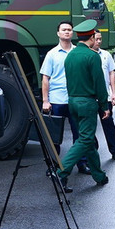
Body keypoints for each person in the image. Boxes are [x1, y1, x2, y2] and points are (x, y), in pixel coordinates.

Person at [54, 20, 111, 192]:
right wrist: (104, 106)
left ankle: (98, 175)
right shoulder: (92, 56)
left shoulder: (70, 54)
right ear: (92, 37)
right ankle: (61, 172)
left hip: (72, 101)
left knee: (87, 139)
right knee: (85, 139)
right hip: (87, 103)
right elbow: (99, 84)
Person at [41, 20, 89, 174]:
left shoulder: (78, 52)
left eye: (69, 29)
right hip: (57, 100)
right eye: (64, 30)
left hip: (76, 99)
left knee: (79, 135)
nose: (67, 32)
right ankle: (53, 166)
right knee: (55, 137)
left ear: (73, 33)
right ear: (58, 33)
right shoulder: (52, 54)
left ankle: (82, 164)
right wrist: (45, 101)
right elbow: (45, 78)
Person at [92, 30, 115, 161]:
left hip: (105, 97)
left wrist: (113, 93)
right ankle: (93, 151)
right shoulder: (84, 55)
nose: (99, 41)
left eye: (100, 39)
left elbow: (111, 74)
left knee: (109, 124)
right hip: (90, 97)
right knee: (89, 126)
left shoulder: (106, 55)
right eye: (96, 39)